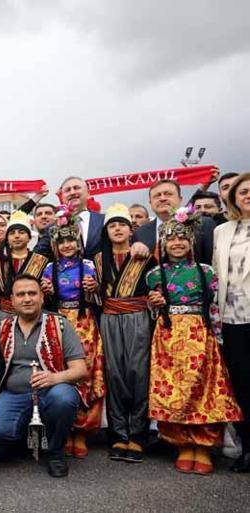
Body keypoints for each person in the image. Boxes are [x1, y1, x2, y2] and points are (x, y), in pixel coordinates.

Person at [146, 208, 241, 475]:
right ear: (164, 244)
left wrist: (218, 339)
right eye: (172, 239)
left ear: (191, 242)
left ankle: (204, 446)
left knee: (204, 390)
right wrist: (155, 304)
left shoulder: (207, 272)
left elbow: (214, 309)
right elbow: (152, 311)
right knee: (173, 390)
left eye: (182, 239)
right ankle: (183, 445)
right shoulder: (154, 275)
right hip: (167, 338)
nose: (177, 243)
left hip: (200, 336)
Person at [0, 274, 88, 478]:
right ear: (12, 299)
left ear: (42, 297)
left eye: (32, 293)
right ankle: (20, 439)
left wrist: (55, 378)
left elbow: (80, 369)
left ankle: (55, 452)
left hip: (51, 392)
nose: (27, 299)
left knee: (63, 398)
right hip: (14, 394)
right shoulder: (4, 326)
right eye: (21, 294)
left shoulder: (60, 324)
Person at [94, 204, 156, 463]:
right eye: (112, 225)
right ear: (106, 231)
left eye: (122, 224)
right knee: (114, 374)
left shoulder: (146, 256)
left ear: (132, 230)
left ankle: (138, 434)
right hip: (109, 319)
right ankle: (118, 433)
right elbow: (96, 295)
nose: (117, 229)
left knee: (138, 373)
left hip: (137, 318)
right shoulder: (98, 260)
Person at [41, 208, 104, 459]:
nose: (67, 245)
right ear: (55, 244)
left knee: (84, 374)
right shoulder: (48, 268)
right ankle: (64, 429)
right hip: (58, 323)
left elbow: (100, 297)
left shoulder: (90, 266)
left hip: (84, 323)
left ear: (78, 243)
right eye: (62, 241)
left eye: (71, 240)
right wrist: (45, 290)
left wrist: (94, 289)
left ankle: (82, 432)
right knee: (60, 372)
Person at [213, 173, 250, 472]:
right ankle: (248, 448)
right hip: (233, 318)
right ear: (233, 198)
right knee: (242, 383)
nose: (248, 195)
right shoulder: (222, 231)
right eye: (243, 192)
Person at [131, 179, 215, 264]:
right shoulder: (140, 233)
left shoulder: (203, 224)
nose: (162, 198)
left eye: (168, 194)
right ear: (150, 202)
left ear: (180, 199)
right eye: (157, 196)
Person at [0, 211, 49, 316]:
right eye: (12, 233)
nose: (17, 236)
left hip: (32, 312)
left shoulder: (38, 260)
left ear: (29, 237)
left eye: (21, 232)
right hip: (5, 312)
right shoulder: (0, 258)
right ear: (7, 238)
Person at [35, 177, 105, 258]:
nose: (72, 192)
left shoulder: (103, 221)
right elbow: (38, 256)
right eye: (67, 190)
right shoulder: (53, 226)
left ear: (88, 193)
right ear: (62, 196)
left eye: (76, 188)